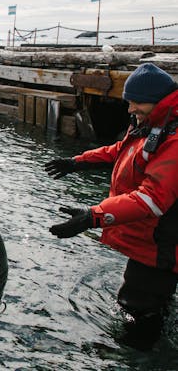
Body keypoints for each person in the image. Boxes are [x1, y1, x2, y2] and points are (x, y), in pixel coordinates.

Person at [45, 62, 178, 350]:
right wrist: (76, 162)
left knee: (139, 304)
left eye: (135, 103)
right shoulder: (151, 124)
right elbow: (120, 151)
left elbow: (152, 199)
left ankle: (134, 355)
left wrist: (93, 216)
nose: (130, 110)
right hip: (151, 241)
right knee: (148, 297)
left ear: (157, 101)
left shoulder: (174, 139)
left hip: (163, 243)